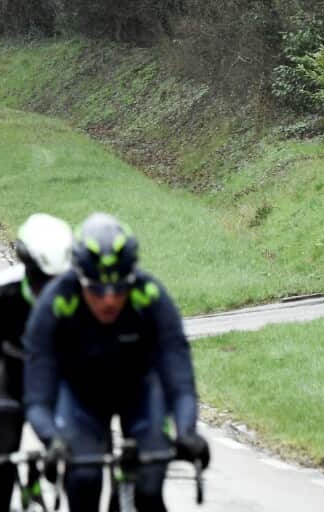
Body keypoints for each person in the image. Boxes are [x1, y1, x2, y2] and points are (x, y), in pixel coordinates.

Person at [23, 213, 209, 512]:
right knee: (84, 480)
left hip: (140, 390)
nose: (109, 300)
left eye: (120, 288)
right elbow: (37, 398)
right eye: (96, 289)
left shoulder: (150, 296)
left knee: (149, 487)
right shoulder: (56, 303)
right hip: (81, 396)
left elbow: (180, 381)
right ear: (79, 278)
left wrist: (187, 431)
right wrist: (51, 440)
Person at [0, 213, 74, 512]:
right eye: (40, 280)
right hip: (10, 379)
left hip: (57, 382)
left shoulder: (79, 295)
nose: (48, 291)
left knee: (78, 457)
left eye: (56, 282)